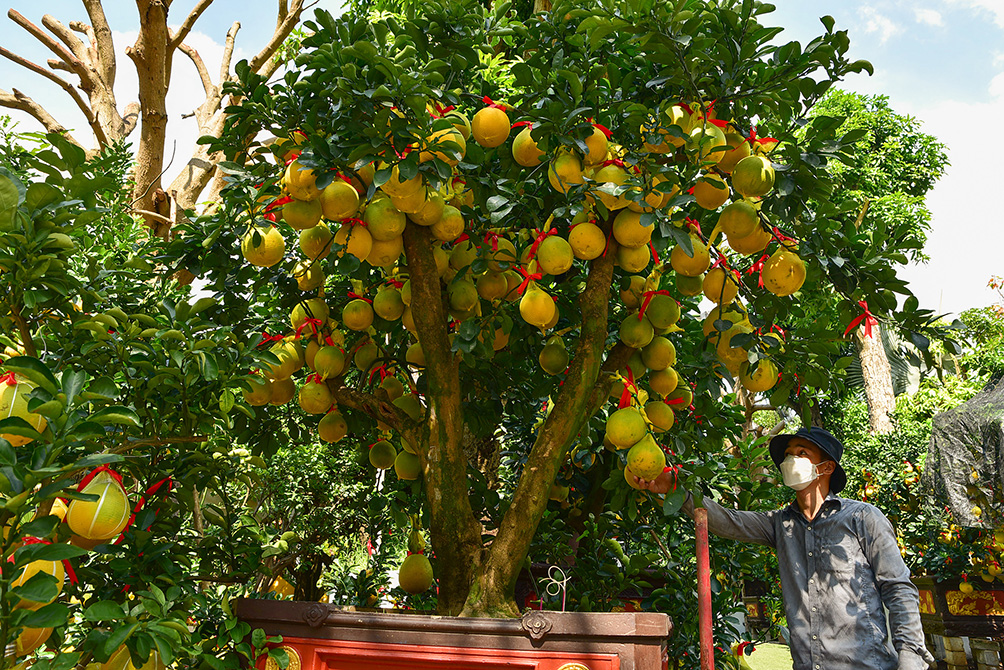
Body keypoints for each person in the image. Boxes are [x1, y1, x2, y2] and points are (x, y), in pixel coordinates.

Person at [636, 426, 935, 670]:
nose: (791, 460)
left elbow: (898, 588)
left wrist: (910, 655)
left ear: (826, 467)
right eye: (788, 455)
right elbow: (730, 521)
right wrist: (675, 488)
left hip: (866, 665)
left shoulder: (862, 518)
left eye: (801, 453)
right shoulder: (781, 524)